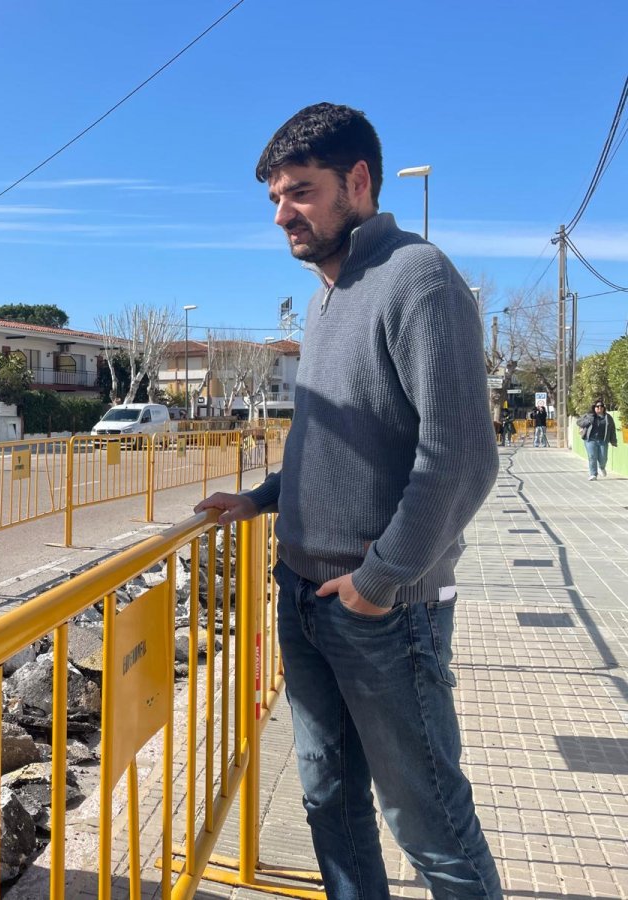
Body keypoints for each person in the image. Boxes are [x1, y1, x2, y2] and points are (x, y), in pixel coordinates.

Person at [195, 103, 502, 898]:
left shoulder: (418, 279)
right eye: (273, 197)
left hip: (385, 611)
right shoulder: (330, 296)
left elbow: (462, 457)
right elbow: (340, 443)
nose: (281, 215)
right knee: (329, 803)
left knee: (431, 827)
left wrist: (380, 578)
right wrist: (262, 498)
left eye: (299, 191)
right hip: (304, 594)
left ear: (358, 183)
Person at [577, 399, 617, 480]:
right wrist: (588, 420)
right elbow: (579, 422)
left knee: (603, 458)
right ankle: (593, 474)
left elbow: (612, 429)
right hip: (590, 440)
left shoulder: (608, 418)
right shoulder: (589, 415)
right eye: (597, 406)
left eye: (601, 406)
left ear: (604, 408)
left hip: (603, 440)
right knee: (592, 457)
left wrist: (613, 441)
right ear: (594, 408)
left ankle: (601, 467)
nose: (599, 408)